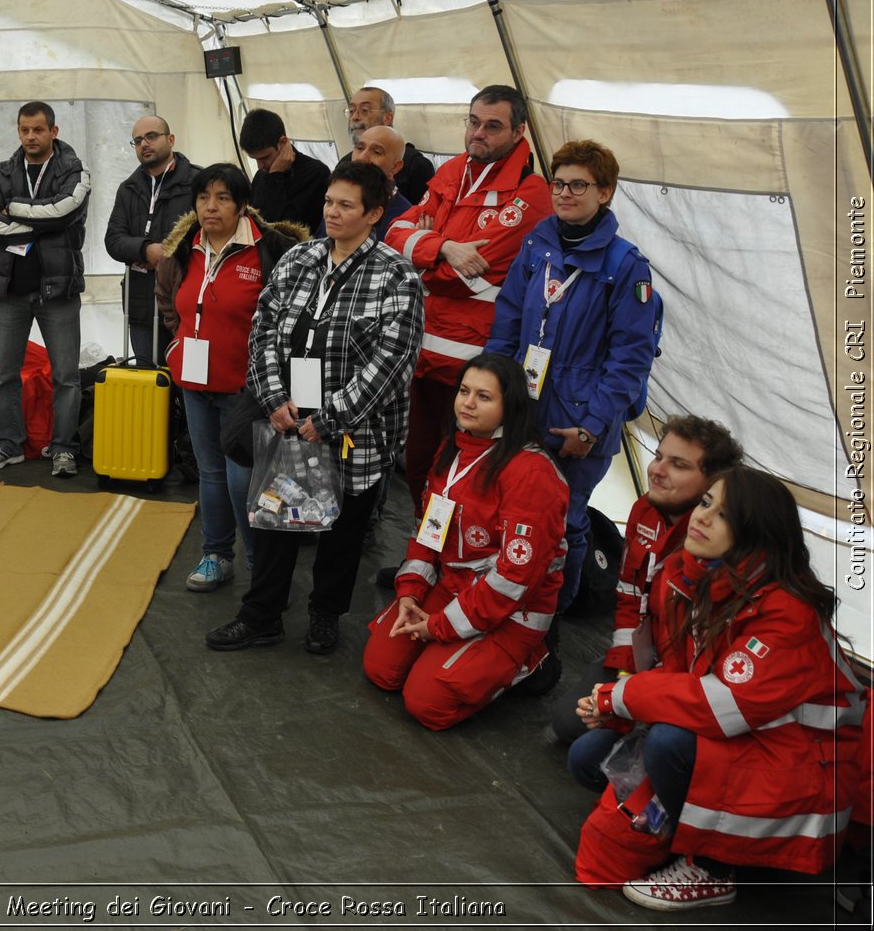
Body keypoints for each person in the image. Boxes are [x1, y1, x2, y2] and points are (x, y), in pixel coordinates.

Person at [572, 467, 864, 912]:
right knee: (587, 758)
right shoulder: (684, 574)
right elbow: (675, 672)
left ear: (756, 533)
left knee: (668, 744)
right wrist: (616, 710)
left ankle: (711, 866)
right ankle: (687, 816)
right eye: (706, 502)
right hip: (739, 736)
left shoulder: (788, 612)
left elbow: (715, 704)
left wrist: (623, 699)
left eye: (724, 515)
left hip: (798, 768)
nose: (703, 517)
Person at [206, 160, 423, 655]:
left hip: (353, 432)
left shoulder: (396, 276)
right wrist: (274, 399)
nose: (332, 212)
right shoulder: (299, 259)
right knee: (276, 521)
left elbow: (391, 364)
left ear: (374, 214)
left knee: (343, 530)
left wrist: (327, 421)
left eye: (346, 205)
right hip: (289, 419)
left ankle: (325, 615)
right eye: (329, 201)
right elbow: (263, 328)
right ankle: (262, 615)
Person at [485, 139, 659, 612]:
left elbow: (630, 360)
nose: (564, 193)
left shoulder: (625, 268)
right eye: (558, 183)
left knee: (563, 520)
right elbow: (508, 320)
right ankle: (507, 606)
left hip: (578, 417)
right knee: (515, 511)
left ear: (605, 193)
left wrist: (593, 426)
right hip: (525, 403)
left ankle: (550, 619)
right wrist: (492, 387)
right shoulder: (538, 246)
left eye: (578, 185)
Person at [361, 354, 568, 728]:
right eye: (464, 391)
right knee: (381, 670)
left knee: (427, 705)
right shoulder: (454, 448)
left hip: (511, 608)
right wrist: (410, 592)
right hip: (454, 587)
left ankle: (534, 660)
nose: (467, 403)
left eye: (484, 397)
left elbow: (513, 579)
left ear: (510, 407)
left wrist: (440, 627)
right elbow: (428, 530)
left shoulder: (531, 473)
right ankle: (449, 649)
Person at [384, 85, 552, 517]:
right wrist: (444, 247)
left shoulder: (530, 196)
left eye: (492, 126)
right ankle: (422, 563)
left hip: (473, 364)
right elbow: (392, 236)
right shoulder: (452, 172)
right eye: (473, 122)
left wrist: (425, 251)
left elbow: (464, 273)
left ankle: (450, 570)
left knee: (462, 475)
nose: (479, 133)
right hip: (422, 354)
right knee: (420, 466)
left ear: (519, 131)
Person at [155, 163, 306, 591]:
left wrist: (275, 375)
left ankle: (263, 567)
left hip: (249, 389)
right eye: (203, 198)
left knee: (247, 481)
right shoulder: (186, 248)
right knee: (210, 474)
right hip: (196, 382)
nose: (211, 207)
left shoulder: (270, 250)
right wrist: (177, 344)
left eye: (222, 198)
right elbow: (168, 297)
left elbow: (290, 320)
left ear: (242, 205)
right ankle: (216, 555)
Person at [547, 416, 742, 746]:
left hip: (690, 680)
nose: (657, 470)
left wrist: (641, 694)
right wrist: (626, 667)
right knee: (568, 725)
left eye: (678, 465)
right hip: (646, 659)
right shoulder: (645, 511)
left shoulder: (723, 544)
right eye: (658, 456)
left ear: (713, 482)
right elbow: (627, 595)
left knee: (603, 750)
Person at [0, 102, 90, 477]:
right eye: (24, 130)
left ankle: (63, 449)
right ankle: (7, 444)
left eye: (38, 130)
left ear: (53, 131)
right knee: (5, 373)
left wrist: (16, 209)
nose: (30, 137)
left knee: (66, 376)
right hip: (10, 290)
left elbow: (66, 211)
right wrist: (40, 223)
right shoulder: (2, 171)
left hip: (59, 291)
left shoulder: (74, 170)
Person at [104, 115, 199, 365]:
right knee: (149, 382)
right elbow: (113, 240)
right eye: (137, 140)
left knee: (188, 382)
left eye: (151, 136)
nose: (144, 143)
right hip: (141, 303)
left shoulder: (198, 182)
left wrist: (167, 256)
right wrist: (146, 251)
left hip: (186, 303)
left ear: (171, 139)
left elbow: (206, 235)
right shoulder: (128, 188)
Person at [238, 107, 330, 232]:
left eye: (265, 158)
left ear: (283, 142)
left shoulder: (316, 173)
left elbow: (289, 228)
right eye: (255, 160)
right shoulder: (262, 175)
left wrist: (275, 177)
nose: (260, 166)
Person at [341, 86, 435, 205]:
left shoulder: (416, 165)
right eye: (351, 111)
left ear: (387, 118)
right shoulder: (344, 163)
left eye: (364, 110)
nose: (355, 117)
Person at [350, 125, 413, 239]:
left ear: (395, 167)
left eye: (376, 152)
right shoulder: (337, 200)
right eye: (359, 148)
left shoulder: (404, 217)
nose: (362, 157)